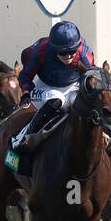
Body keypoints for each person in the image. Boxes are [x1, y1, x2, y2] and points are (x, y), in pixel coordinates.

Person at [12, 21, 94, 152]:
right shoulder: (40, 52)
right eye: (63, 53)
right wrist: (26, 92)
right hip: (44, 86)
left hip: (72, 86)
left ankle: (103, 136)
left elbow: (90, 78)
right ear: (54, 49)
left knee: (84, 102)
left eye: (72, 51)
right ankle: (23, 136)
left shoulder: (84, 54)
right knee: (57, 99)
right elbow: (25, 76)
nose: (68, 56)